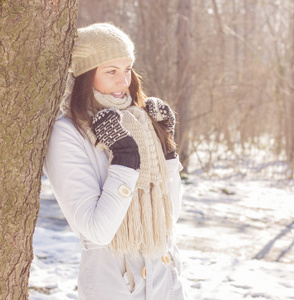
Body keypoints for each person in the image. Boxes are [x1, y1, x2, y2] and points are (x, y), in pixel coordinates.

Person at [44, 23, 186, 300]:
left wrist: (166, 148)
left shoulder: (140, 121)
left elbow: (170, 216)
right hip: (117, 284)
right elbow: (97, 231)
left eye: (127, 69)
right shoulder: (68, 133)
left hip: (166, 280)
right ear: (85, 76)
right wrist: (124, 160)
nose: (124, 82)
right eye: (111, 71)